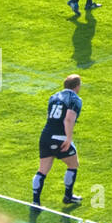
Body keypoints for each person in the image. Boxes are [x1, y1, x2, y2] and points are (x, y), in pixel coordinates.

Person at [32, 74, 84, 207]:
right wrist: (68, 138)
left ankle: (35, 202)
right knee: (73, 164)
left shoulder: (53, 97)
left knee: (42, 170)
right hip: (59, 137)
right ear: (77, 86)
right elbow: (68, 119)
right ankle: (68, 196)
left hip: (45, 136)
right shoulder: (75, 99)